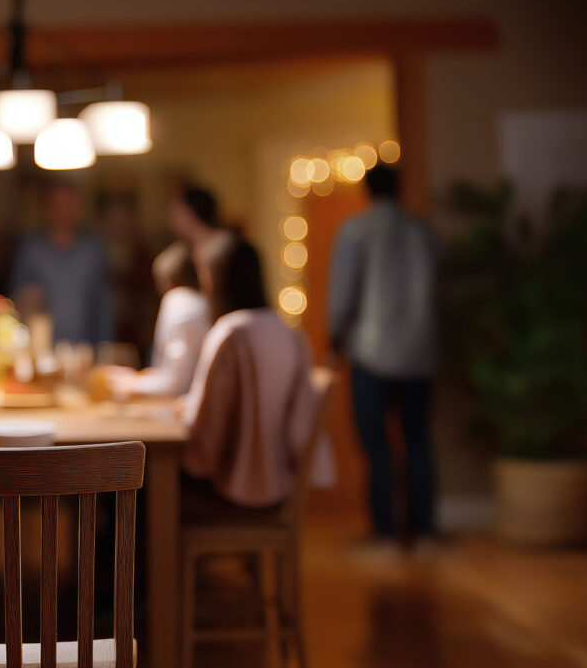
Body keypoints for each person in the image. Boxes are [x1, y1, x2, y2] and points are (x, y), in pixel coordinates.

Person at [181, 234, 334, 517]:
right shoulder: (290, 332)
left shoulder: (230, 333)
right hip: (281, 484)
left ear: (216, 279)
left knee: (148, 487)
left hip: (234, 489)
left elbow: (207, 431)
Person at [328, 164, 438, 541]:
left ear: (368, 190)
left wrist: (334, 335)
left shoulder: (356, 230)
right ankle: (422, 526)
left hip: (371, 351)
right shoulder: (421, 230)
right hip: (420, 351)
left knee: (375, 444)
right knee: (417, 438)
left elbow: (343, 293)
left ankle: (384, 528)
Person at [10, 180, 114, 344]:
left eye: (67, 204)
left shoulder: (91, 250)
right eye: (56, 205)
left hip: (84, 347)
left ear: (77, 208)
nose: (62, 211)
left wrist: (106, 344)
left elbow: (101, 304)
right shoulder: (32, 249)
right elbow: (17, 300)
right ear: (46, 208)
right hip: (41, 348)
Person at [109, 242, 211, 397]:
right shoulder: (203, 304)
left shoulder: (179, 302)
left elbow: (176, 383)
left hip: (182, 406)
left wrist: (131, 384)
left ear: (166, 281)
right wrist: (138, 378)